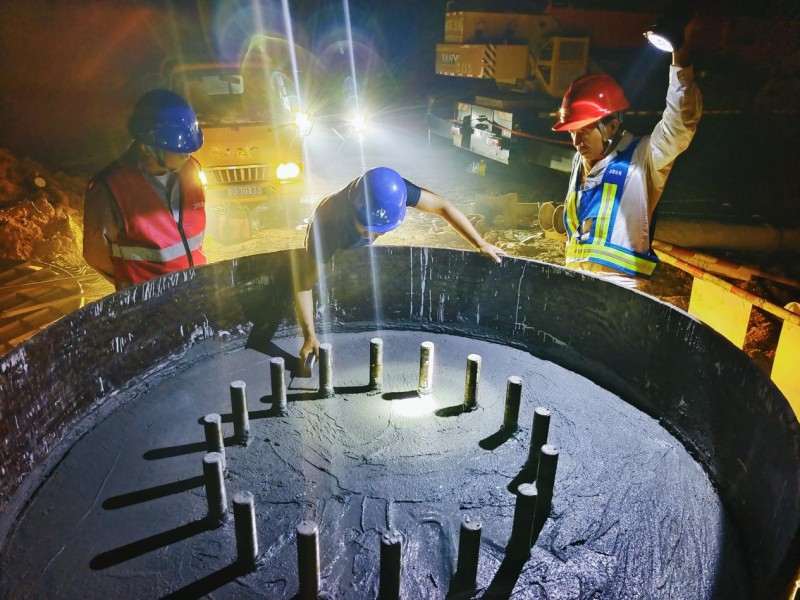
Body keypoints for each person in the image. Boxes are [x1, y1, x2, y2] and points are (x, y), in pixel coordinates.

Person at [294, 167, 505, 362]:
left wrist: (480, 243)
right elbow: (304, 284)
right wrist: (309, 336)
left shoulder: (396, 191)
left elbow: (442, 206)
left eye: (380, 232)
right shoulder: (327, 226)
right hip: (333, 234)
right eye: (367, 230)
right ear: (354, 211)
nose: (373, 236)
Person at [551, 23, 702, 289]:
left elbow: (680, 124)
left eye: (584, 131)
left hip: (620, 289)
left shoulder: (643, 158)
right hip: (576, 283)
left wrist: (679, 56)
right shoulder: (579, 162)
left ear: (610, 126)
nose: (575, 141)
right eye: (572, 132)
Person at [83, 89, 206, 290]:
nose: (187, 155)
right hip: (148, 303)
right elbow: (95, 255)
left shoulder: (192, 170)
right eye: (178, 150)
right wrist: (134, 289)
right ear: (147, 147)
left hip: (194, 291)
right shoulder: (110, 188)